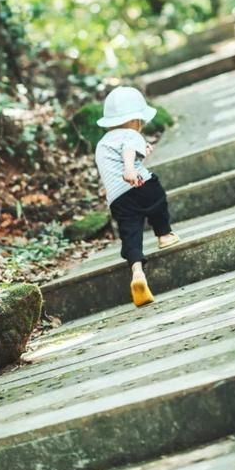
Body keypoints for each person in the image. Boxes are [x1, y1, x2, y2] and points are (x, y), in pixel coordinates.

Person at [94, 86, 179, 307]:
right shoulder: (132, 134)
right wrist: (131, 168)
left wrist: (135, 161)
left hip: (118, 200)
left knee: (130, 233)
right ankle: (164, 234)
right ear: (135, 120)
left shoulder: (102, 144)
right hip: (140, 185)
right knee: (157, 198)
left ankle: (137, 272)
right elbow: (128, 151)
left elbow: (118, 158)